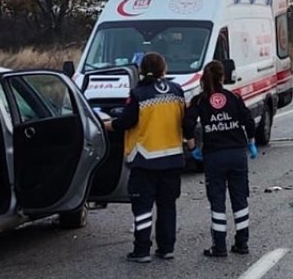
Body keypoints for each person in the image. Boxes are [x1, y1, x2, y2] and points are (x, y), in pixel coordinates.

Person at [111, 52, 188, 263]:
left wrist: (109, 125)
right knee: (167, 205)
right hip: (172, 158)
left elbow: (126, 121)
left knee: (143, 207)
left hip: (145, 159)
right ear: (164, 69)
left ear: (141, 70)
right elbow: (185, 119)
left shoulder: (138, 94)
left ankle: (142, 249)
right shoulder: (176, 91)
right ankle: (166, 247)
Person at [185, 60, 258, 258]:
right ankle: (242, 243)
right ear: (222, 77)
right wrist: (251, 141)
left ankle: (219, 246)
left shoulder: (200, 100)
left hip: (214, 155)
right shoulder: (233, 97)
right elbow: (248, 121)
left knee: (217, 201)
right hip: (236, 154)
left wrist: (193, 148)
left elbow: (188, 123)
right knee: (240, 198)